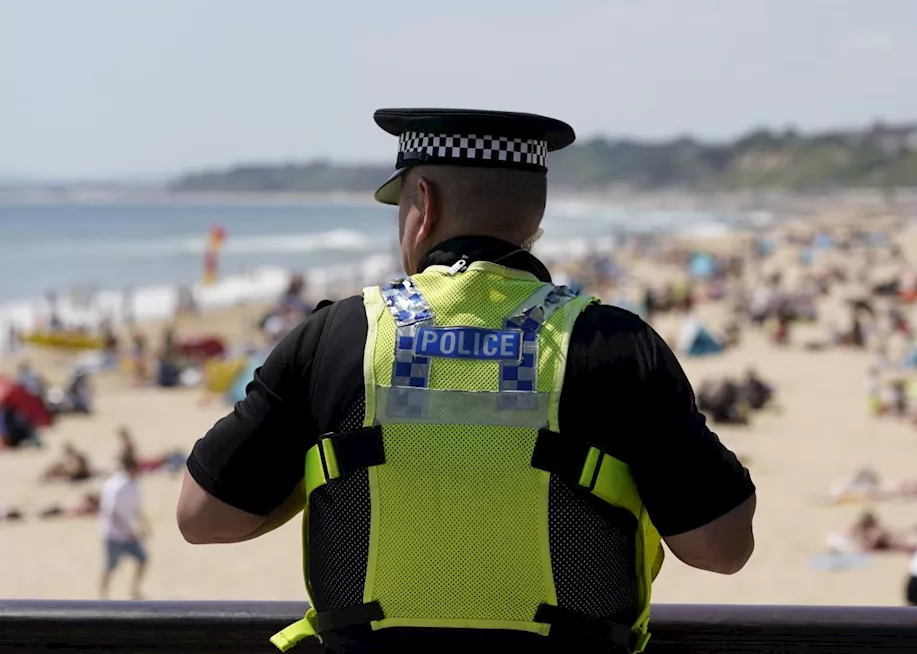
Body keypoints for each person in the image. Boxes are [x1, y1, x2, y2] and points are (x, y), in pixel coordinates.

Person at [176, 109, 756, 654]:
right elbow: (721, 549)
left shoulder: (335, 338)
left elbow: (203, 518)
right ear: (537, 221)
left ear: (422, 206)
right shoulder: (615, 344)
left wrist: (319, 476)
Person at [99, 452, 149, 600]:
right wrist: (127, 531)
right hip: (114, 535)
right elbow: (111, 512)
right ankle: (103, 595)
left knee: (143, 559)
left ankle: (135, 590)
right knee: (110, 566)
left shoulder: (134, 484)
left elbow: (137, 507)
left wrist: (145, 525)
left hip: (129, 533)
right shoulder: (116, 486)